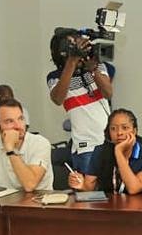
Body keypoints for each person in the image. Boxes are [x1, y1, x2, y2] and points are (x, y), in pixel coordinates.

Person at [47, 29, 114, 172]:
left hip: (108, 142)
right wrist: (71, 62)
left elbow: (108, 93)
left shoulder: (97, 66)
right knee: (89, 193)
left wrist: (93, 70)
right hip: (85, 146)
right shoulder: (56, 77)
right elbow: (58, 99)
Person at [68, 109, 142, 195]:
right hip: (109, 207)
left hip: (141, 207)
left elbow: (133, 188)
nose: (119, 133)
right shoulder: (101, 151)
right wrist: (81, 184)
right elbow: (89, 187)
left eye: (125, 128)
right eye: (113, 128)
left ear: (134, 131)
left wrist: (118, 152)